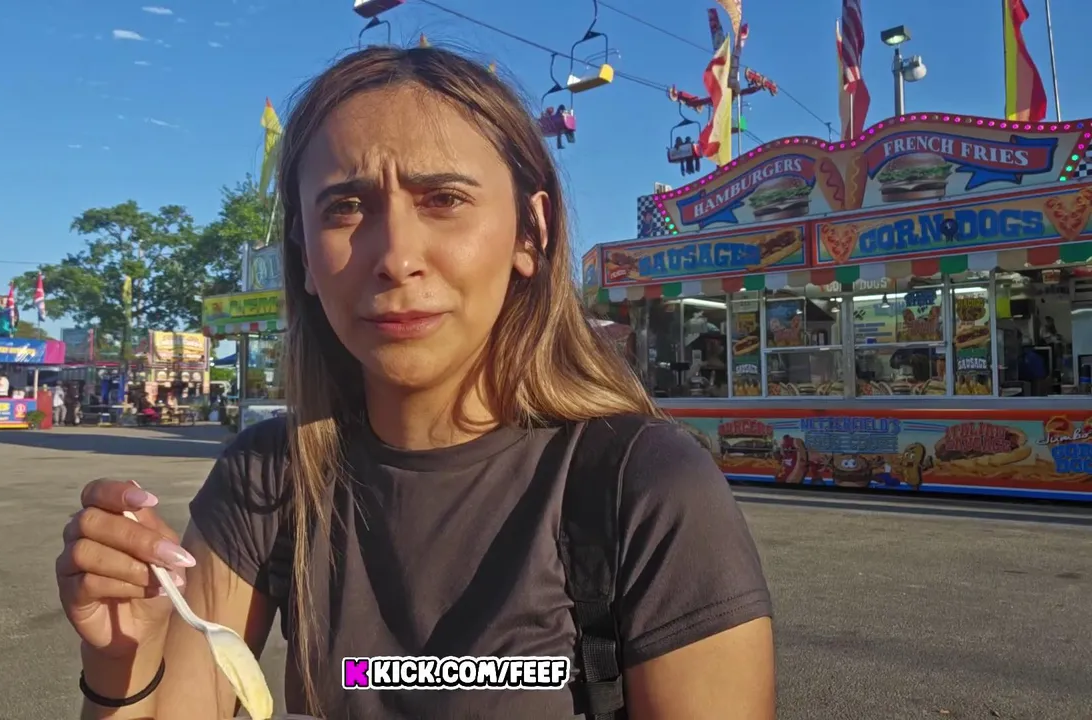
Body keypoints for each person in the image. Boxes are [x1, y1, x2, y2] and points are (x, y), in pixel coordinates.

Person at [57, 46, 774, 720]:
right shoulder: (268, 478)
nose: (396, 256)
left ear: (531, 232)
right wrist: (126, 654)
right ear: (304, 254)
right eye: (345, 207)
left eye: (444, 199)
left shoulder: (643, 487)